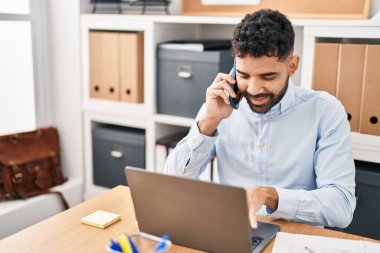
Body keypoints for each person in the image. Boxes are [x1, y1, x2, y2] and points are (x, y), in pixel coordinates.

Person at [164, 9, 355, 228]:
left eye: (268, 76)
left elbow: (342, 207)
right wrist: (210, 121)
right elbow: (173, 182)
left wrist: (271, 196)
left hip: (296, 238)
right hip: (232, 231)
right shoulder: (218, 106)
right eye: (244, 75)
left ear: (291, 66)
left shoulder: (325, 112)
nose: (253, 89)